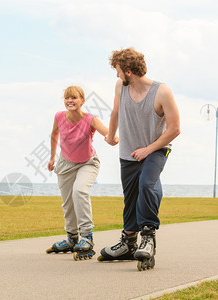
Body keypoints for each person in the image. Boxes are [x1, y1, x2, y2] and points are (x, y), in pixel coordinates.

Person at [98, 48, 180, 271]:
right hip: (128, 152)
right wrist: (110, 134)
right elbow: (115, 111)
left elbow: (174, 129)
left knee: (146, 184)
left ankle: (148, 237)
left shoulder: (161, 92)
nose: (116, 76)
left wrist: (148, 149)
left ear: (129, 71)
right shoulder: (120, 87)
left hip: (156, 149)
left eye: (117, 71)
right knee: (131, 195)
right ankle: (128, 242)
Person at [46, 85, 116, 261]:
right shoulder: (59, 116)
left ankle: (87, 236)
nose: (70, 101)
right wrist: (52, 157)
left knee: (80, 191)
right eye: (67, 98)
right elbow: (54, 135)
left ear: (82, 100)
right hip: (65, 163)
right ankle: (71, 238)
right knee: (68, 201)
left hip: (87, 162)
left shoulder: (90, 119)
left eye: (74, 98)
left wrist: (112, 138)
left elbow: (108, 134)